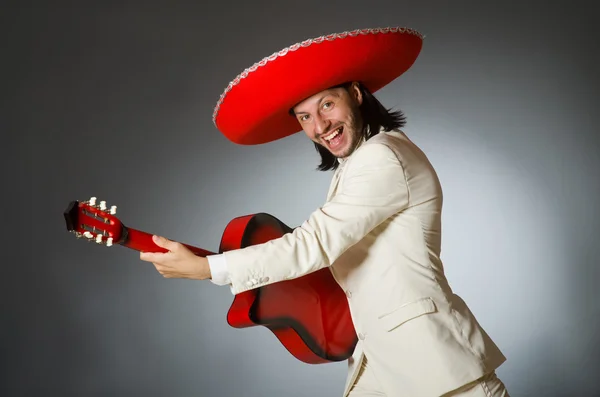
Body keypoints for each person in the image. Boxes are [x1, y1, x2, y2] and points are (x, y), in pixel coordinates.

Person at [140, 27, 510, 396]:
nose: (319, 127)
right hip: (380, 361)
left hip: (437, 368)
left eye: (327, 105)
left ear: (356, 93)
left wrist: (209, 268)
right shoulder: (357, 164)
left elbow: (315, 243)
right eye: (304, 117)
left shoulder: (383, 157)